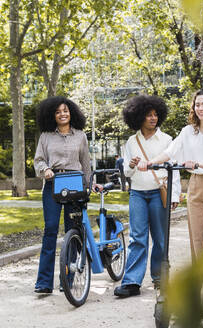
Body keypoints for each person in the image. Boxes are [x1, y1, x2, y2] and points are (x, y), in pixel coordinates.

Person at [139, 88, 203, 322]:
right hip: (196, 189)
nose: (200, 108)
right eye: (197, 104)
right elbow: (170, 152)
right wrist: (149, 162)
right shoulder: (187, 132)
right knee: (198, 247)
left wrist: (196, 162)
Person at [114, 95, 181, 298]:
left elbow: (174, 169)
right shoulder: (132, 141)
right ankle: (132, 282)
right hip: (138, 194)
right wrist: (132, 164)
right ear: (138, 117)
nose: (153, 118)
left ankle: (160, 279)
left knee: (160, 239)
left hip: (159, 193)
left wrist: (174, 194)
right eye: (148, 115)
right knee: (137, 238)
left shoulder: (168, 140)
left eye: (155, 115)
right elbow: (126, 172)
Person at [33, 96, 101, 294]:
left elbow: (86, 164)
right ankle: (44, 282)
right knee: (51, 230)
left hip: (75, 183)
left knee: (73, 231)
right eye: (57, 112)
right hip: (53, 184)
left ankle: (68, 279)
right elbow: (38, 160)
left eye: (65, 110)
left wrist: (90, 185)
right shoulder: (45, 136)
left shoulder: (80, 136)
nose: (62, 114)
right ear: (52, 116)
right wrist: (45, 169)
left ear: (71, 112)